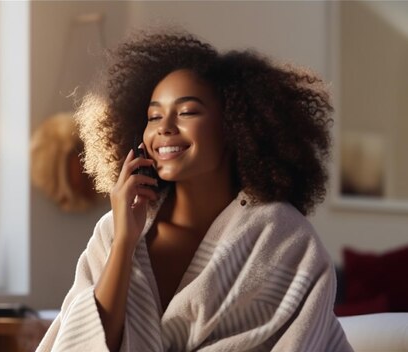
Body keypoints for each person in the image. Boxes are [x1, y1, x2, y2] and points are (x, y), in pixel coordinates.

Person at [36, 28, 353, 352]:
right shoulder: (114, 229)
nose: (164, 128)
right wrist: (123, 243)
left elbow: (301, 339)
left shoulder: (283, 236)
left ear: (233, 127)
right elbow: (83, 342)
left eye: (187, 112)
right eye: (153, 116)